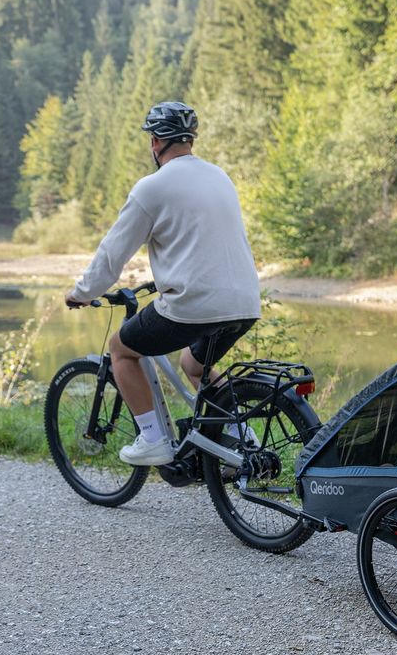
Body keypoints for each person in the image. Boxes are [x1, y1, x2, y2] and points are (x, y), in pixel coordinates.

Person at [65, 101, 261, 466]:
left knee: (122, 350)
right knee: (194, 364)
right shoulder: (220, 177)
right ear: (189, 140)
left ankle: (153, 439)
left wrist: (81, 293)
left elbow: (111, 256)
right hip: (246, 300)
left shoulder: (151, 188)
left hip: (194, 303)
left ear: (155, 142)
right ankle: (241, 436)